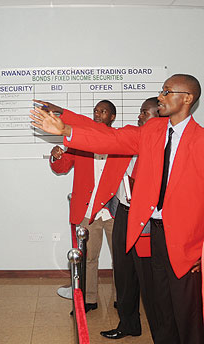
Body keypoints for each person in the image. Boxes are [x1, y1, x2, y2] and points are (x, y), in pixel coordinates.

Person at [30, 74, 204, 344]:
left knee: (186, 309)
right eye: (162, 91)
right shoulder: (151, 131)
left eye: (167, 92)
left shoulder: (200, 140)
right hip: (153, 232)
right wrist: (66, 129)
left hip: (185, 242)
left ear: (187, 98)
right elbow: (108, 137)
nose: (160, 96)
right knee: (158, 306)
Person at [39, 99, 131, 313]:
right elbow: (62, 168)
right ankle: (89, 300)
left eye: (103, 111)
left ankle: (121, 298)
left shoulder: (123, 141)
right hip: (87, 210)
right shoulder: (80, 140)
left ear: (113, 117)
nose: (98, 114)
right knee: (89, 257)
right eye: (95, 111)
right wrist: (56, 157)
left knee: (121, 258)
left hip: (114, 210)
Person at [100, 97, 159, 340]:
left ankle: (162, 332)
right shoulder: (132, 138)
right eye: (140, 112)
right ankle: (128, 324)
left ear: (160, 114)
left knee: (148, 277)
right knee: (123, 273)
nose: (140, 116)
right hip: (124, 212)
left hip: (148, 218)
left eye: (145, 112)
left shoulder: (162, 146)